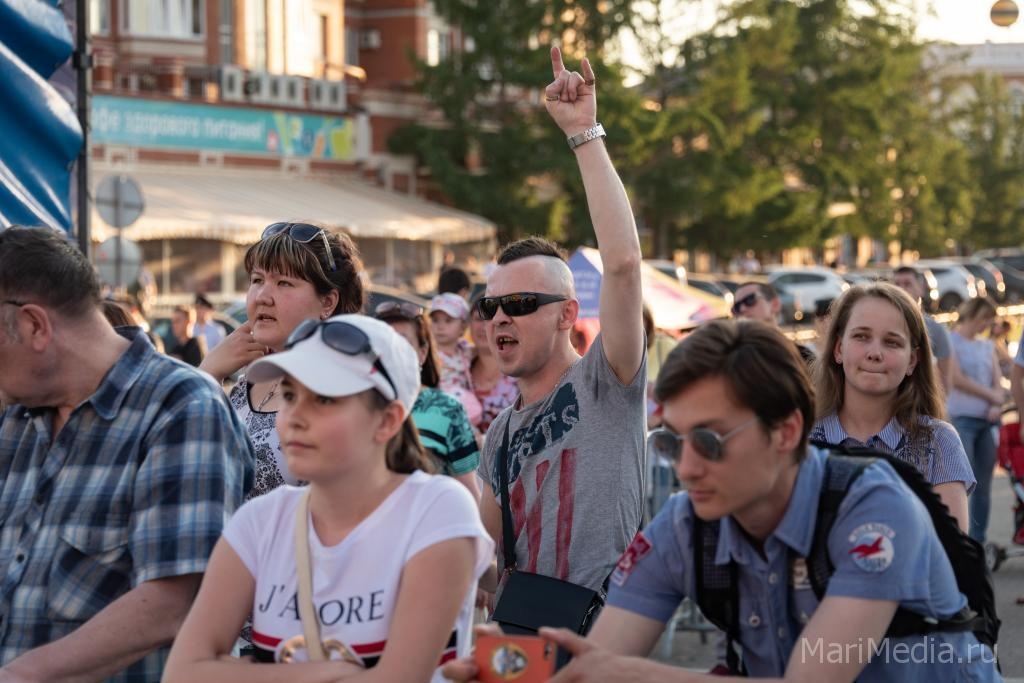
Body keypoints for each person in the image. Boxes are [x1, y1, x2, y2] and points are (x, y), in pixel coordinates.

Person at [445, 319, 999, 681]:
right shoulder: (687, 523)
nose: (686, 468)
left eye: (709, 441)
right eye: (673, 443)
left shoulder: (874, 508)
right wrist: (511, 669)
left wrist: (638, 675)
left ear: (787, 432)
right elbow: (599, 662)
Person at [162, 315, 493, 683]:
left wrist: (252, 672)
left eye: (323, 398)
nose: (293, 417)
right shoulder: (258, 521)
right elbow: (182, 673)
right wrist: (331, 672)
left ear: (387, 421)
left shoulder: (436, 510)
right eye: (290, 395)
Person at [0, 226, 253, 682]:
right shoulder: (20, 414)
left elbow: (176, 603)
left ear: (34, 325)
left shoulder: (181, 406)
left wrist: (21, 675)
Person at [475, 46, 646, 598]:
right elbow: (481, 566)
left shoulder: (607, 383)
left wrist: (583, 133)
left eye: (522, 302)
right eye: (491, 306)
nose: (501, 317)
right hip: (524, 640)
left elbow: (623, 265)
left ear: (567, 314)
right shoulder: (500, 435)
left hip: (606, 633)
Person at [199, 221, 365, 499]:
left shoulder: (340, 388)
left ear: (327, 303)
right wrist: (209, 372)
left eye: (284, 283)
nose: (262, 297)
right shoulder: (245, 384)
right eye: (257, 280)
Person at [811, 283, 974, 532]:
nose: (875, 353)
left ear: (912, 361)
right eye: (861, 336)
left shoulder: (938, 443)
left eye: (892, 342)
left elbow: (953, 550)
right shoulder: (802, 443)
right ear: (839, 349)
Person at [374, 300, 482, 499]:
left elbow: (470, 495)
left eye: (401, 343)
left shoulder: (447, 410)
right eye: (383, 342)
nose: (390, 351)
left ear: (422, 354)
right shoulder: (357, 405)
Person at [948, 297, 1005, 543]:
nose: (987, 325)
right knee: (960, 484)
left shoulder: (987, 346)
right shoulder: (952, 341)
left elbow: (997, 380)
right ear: (974, 316)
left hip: (987, 422)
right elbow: (957, 379)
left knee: (983, 485)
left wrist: (996, 403)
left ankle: (978, 541)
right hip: (963, 420)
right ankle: (957, 538)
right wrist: (991, 396)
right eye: (985, 319)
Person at [893, 266, 955, 394]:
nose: (901, 289)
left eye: (907, 284)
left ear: (921, 289)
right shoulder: (881, 324)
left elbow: (945, 381)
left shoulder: (935, 329)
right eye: (897, 284)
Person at [430, 293, 483, 426]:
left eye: (448, 320)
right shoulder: (427, 354)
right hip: (437, 412)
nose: (440, 326)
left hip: (465, 411)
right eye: (435, 320)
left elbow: (484, 350)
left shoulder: (465, 351)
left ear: (463, 327)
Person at [468, 294, 518, 436]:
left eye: (490, 318)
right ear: (468, 324)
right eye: (479, 319)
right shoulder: (457, 368)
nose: (484, 326)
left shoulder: (519, 373)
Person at [732, 280, 815, 364]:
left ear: (775, 304)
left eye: (750, 299)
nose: (742, 309)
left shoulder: (802, 356)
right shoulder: (732, 357)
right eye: (737, 306)